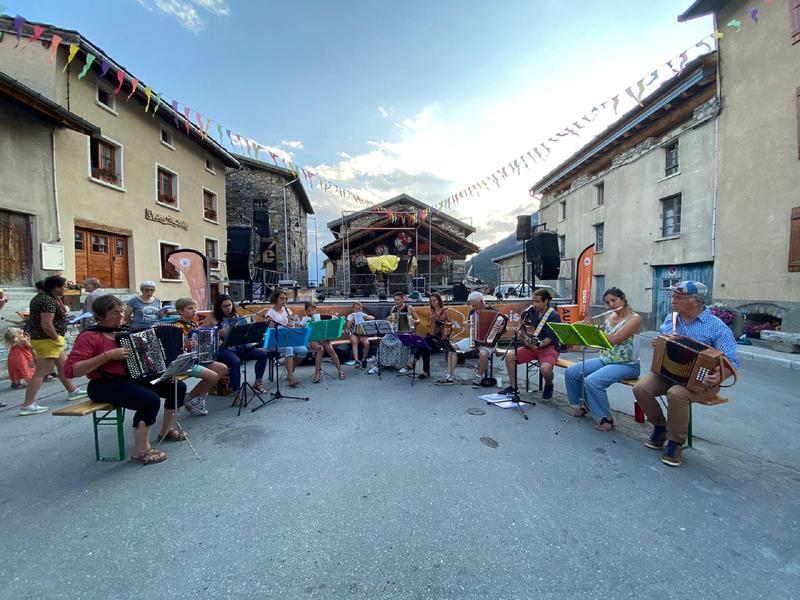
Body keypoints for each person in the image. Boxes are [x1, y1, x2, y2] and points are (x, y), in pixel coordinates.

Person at [64, 294, 185, 464]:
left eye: (121, 312)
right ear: (100, 315)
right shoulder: (89, 337)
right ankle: (141, 451)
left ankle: (166, 431)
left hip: (131, 379)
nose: (121, 316)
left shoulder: (126, 332)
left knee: (177, 387)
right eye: (115, 313)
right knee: (149, 400)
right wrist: (106, 356)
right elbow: (71, 371)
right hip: (103, 384)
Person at [633, 281, 739, 467]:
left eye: (678, 298)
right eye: (672, 297)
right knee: (641, 388)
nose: (673, 301)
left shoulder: (717, 327)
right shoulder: (671, 319)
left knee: (677, 394)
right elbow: (663, 342)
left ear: (696, 301)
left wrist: (719, 376)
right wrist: (659, 345)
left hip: (702, 381)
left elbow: (732, 362)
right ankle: (660, 427)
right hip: (668, 374)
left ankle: (675, 443)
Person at [564, 287, 642, 431]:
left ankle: (607, 418)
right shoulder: (610, 316)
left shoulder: (635, 319)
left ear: (623, 299)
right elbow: (601, 342)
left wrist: (593, 330)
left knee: (593, 381)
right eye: (607, 302)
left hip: (627, 364)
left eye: (614, 300)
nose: (611, 304)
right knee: (571, 372)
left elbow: (615, 339)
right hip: (606, 359)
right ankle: (583, 405)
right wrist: (586, 331)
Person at [20, 276, 86, 415]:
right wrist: (56, 338)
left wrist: (59, 301)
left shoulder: (44, 298)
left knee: (64, 366)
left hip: (46, 339)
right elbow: (47, 324)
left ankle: (72, 391)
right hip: (48, 340)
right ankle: (28, 404)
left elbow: (62, 313)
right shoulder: (47, 301)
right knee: (41, 373)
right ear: (56, 287)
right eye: (64, 286)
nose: (66, 289)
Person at [502, 288, 562, 399]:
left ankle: (549, 384)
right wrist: (521, 331)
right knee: (510, 356)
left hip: (549, 347)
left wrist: (530, 344)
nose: (534, 304)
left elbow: (545, 342)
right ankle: (513, 387)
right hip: (533, 345)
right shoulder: (532, 310)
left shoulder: (554, 316)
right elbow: (521, 317)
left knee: (545, 369)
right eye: (533, 301)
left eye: (537, 301)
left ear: (546, 302)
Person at [173, 297, 229, 415]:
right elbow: (172, 349)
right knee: (213, 376)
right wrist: (184, 345)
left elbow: (202, 343)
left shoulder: (194, 325)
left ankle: (197, 398)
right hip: (185, 362)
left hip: (198, 358)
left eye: (195, 308)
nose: (194, 311)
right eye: (190, 308)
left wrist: (214, 342)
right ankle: (189, 399)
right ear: (181, 311)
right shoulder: (176, 327)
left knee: (223, 368)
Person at [439, 291, 498, 387]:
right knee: (451, 348)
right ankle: (449, 376)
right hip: (474, 339)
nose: (473, 308)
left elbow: (502, 329)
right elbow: (469, 323)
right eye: (472, 305)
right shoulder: (472, 311)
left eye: (474, 305)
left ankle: (479, 377)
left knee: (484, 354)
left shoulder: (494, 311)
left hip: (489, 341)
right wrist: (467, 324)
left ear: (481, 302)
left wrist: (498, 328)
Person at [213, 294, 269, 393]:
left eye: (229, 305)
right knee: (235, 362)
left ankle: (258, 383)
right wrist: (217, 332)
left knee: (262, 355)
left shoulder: (237, 317)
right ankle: (237, 392)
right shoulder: (215, 319)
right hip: (224, 349)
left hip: (241, 346)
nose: (228, 308)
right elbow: (206, 333)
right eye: (224, 306)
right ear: (219, 307)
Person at [265, 289, 307, 386]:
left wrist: (291, 323)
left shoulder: (287, 311)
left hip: (287, 339)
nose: (284, 300)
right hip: (275, 341)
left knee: (303, 350)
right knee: (289, 348)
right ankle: (291, 377)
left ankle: (290, 371)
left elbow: (291, 327)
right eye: (281, 298)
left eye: (285, 298)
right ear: (275, 299)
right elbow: (271, 329)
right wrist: (285, 327)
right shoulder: (270, 313)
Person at [299, 301, 345, 383]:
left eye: (312, 310)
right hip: (313, 339)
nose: (311, 312)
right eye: (309, 311)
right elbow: (301, 325)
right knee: (320, 349)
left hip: (323, 338)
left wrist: (339, 319)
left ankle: (340, 371)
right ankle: (317, 374)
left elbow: (334, 322)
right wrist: (306, 323)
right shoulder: (305, 318)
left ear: (315, 309)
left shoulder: (320, 317)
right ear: (306, 311)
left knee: (330, 349)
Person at [386, 292, 429, 378]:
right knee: (384, 340)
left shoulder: (409, 308)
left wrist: (414, 322)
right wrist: (389, 319)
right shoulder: (393, 308)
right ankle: (385, 363)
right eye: (395, 300)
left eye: (398, 299)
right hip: (396, 331)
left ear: (403, 299)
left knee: (401, 343)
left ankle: (404, 364)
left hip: (408, 331)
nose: (396, 301)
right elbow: (389, 319)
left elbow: (418, 320)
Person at [345, 300, 374, 369]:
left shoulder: (362, 314)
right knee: (354, 342)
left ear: (361, 309)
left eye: (359, 309)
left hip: (361, 332)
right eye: (356, 309)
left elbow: (373, 317)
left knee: (366, 343)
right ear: (353, 309)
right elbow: (348, 327)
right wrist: (351, 321)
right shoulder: (351, 315)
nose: (357, 310)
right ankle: (356, 361)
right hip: (354, 332)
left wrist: (367, 317)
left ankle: (364, 359)